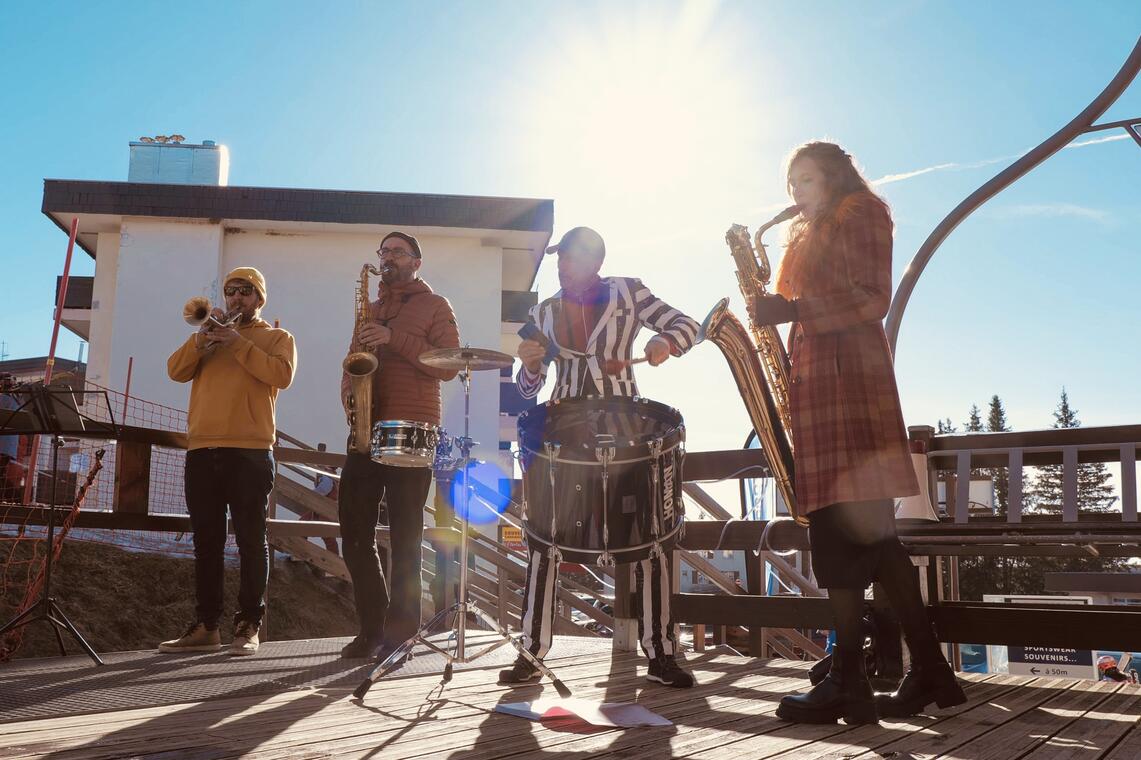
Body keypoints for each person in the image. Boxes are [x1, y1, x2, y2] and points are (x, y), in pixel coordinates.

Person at [747, 141, 965, 723]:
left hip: (851, 388)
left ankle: (850, 681)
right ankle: (928, 670)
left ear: (836, 176)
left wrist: (792, 312)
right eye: (791, 182)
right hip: (821, 387)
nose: (796, 192)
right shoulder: (809, 231)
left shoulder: (862, 213)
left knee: (843, 532)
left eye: (808, 179)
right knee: (872, 538)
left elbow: (873, 298)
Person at [501, 225, 699, 688]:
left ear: (593, 260)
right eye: (558, 260)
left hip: (626, 430)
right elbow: (528, 386)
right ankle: (532, 651)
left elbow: (686, 325)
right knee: (545, 538)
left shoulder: (629, 293)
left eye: (567, 258)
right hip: (563, 433)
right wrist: (530, 365)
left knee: (651, 537)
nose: (560, 266)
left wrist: (664, 344)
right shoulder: (543, 312)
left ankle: (662, 652)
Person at [160, 267, 296, 656]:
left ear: (260, 299)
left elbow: (281, 375)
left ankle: (248, 625)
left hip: (250, 451)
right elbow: (175, 371)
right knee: (207, 543)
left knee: (252, 541)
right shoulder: (206, 337)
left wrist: (237, 342)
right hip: (202, 448)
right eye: (231, 291)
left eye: (246, 292)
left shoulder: (277, 338)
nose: (236, 298)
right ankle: (206, 627)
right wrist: (201, 341)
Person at [337, 231, 461, 660]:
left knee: (407, 538)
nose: (388, 257)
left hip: (411, 429)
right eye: (383, 251)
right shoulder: (369, 309)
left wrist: (395, 340)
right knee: (353, 533)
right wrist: (349, 396)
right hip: (366, 432)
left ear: (416, 262)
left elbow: (448, 364)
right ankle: (371, 628)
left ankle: (401, 633)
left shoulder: (436, 305)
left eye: (397, 251)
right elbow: (352, 364)